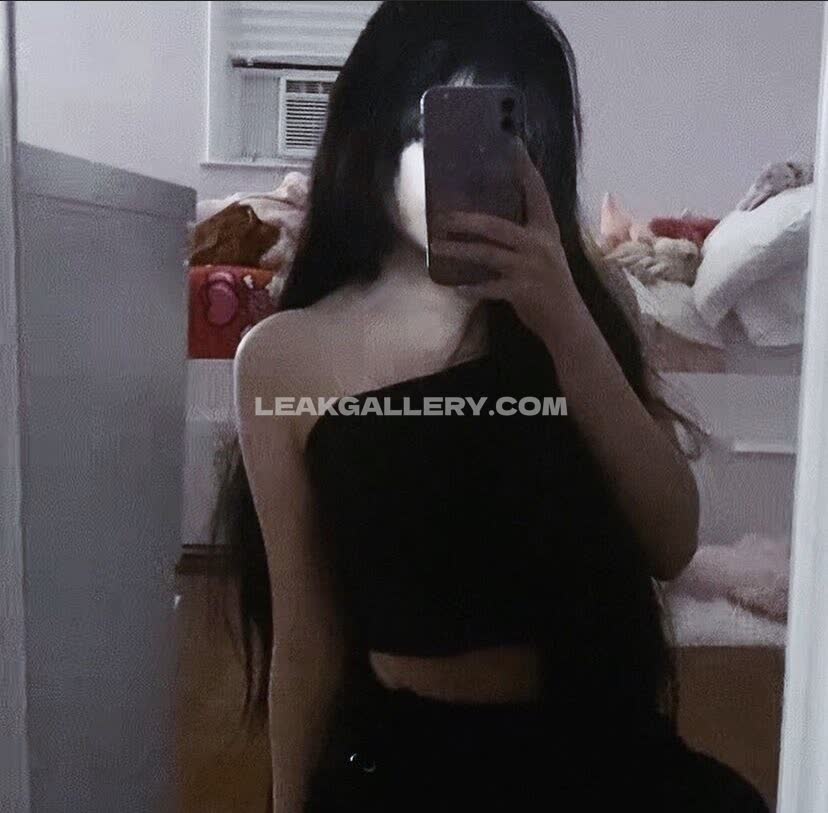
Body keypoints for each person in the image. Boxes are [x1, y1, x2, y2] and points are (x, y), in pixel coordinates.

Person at [211, 3, 769, 810]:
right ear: (371, 132)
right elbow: (307, 634)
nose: (468, 165)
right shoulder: (284, 355)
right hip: (412, 765)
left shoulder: (588, 301)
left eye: (508, 133)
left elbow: (671, 538)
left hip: (601, 745)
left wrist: (565, 319)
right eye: (436, 129)